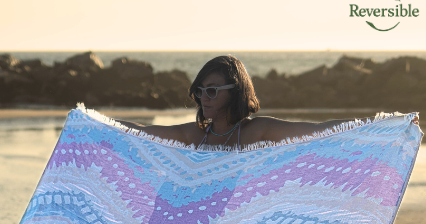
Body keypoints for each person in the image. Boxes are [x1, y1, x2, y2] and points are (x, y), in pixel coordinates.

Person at [117, 54, 377, 149]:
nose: (203, 98)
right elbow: (139, 131)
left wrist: (380, 123)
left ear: (235, 92)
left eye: (212, 90)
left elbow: (320, 130)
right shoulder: (194, 134)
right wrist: (95, 122)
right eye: (200, 90)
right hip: (187, 222)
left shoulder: (257, 131)